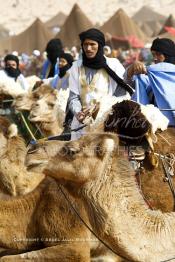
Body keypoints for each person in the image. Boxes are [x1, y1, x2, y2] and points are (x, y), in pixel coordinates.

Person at [68, 28, 133, 140]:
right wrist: (78, 112)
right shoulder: (75, 67)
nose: (88, 48)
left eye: (92, 44)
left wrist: (101, 108)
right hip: (81, 124)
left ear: (100, 45)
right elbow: (73, 98)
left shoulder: (113, 65)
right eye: (85, 44)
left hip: (106, 123)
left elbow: (123, 96)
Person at [130, 38, 175, 126]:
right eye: (153, 54)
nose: (154, 58)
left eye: (158, 54)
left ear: (167, 55)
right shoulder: (150, 76)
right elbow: (130, 82)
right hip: (155, 126)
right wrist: (132, 69)